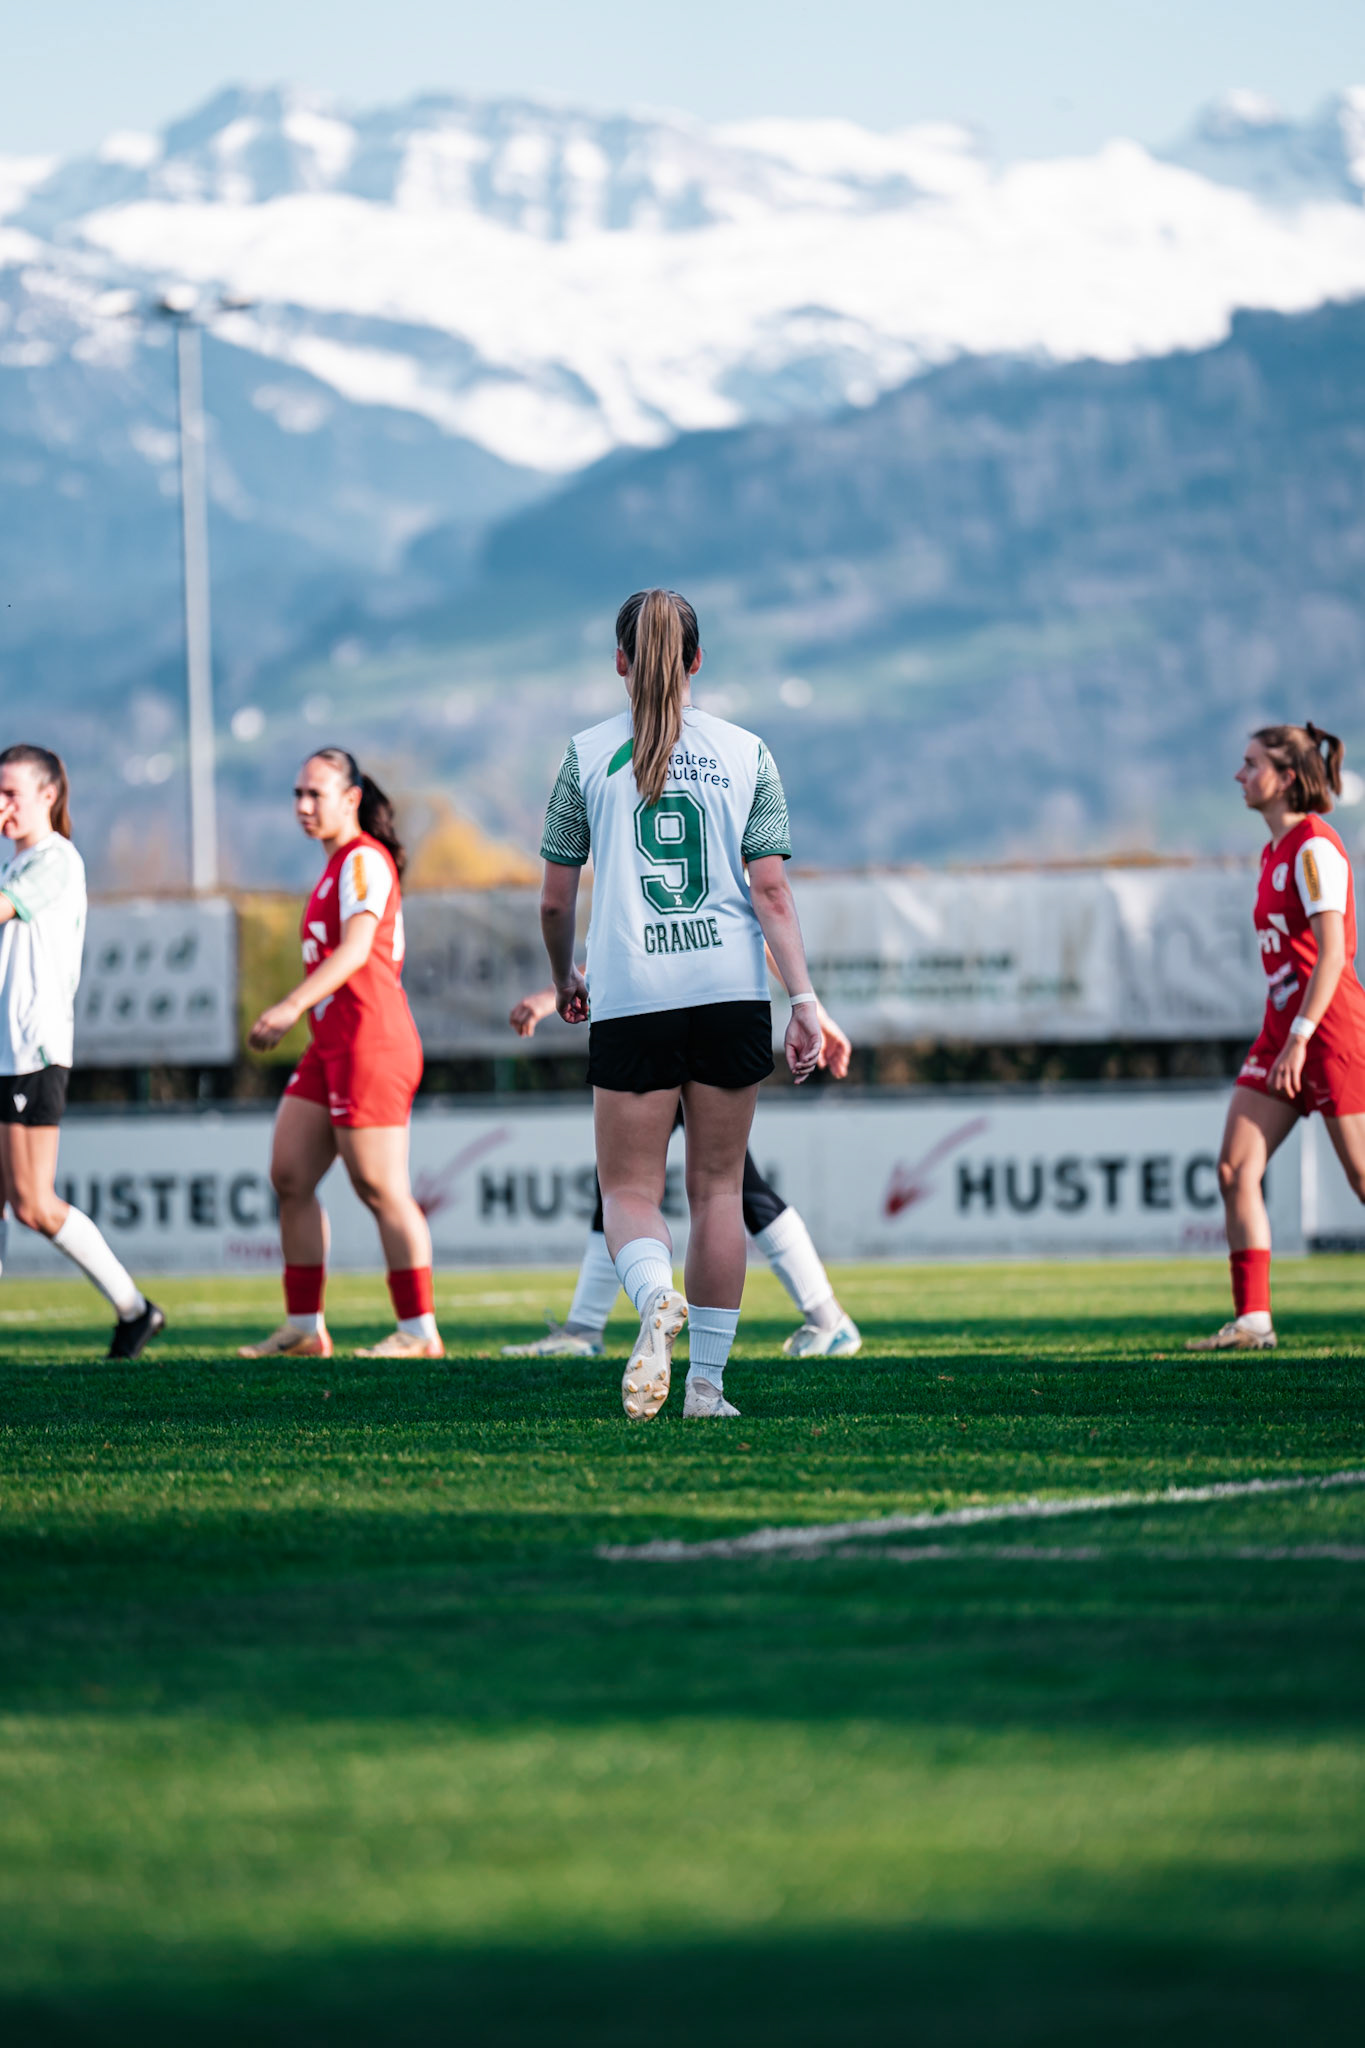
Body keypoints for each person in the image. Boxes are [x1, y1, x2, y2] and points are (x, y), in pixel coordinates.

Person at [538, 586, 823, 1420]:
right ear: (697, 661)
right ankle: (705, 1386)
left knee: (629, 1192)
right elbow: (770, 893)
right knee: (719, 1193)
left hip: (632, 999)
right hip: (730, 997)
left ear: (620, 661)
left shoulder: (585, 755)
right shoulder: (747, 753)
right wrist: (802, 998)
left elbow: (555, 903)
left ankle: (652, 1295)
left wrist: (564, 980)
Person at [501, 971, 861, 1359]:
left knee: (658, 1186)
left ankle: (822, 1320)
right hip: (709, 1020)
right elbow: (763, 917)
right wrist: (808, 1005)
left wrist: (809, 1005)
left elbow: (629, 936)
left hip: (665, 1023)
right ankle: (818, 1323)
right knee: (719, 1185)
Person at [240, 749, 441, 1360]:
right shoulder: (335, 867)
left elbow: (356, 952)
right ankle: (304, 1328)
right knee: (289, 1175)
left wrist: (290, 1005)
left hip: (370, 1041)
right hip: (332, 1046)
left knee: (380, 1187)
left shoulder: (362, 861)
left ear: (351, 799)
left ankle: (420, 1330)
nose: (303, 806)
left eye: (315, 794)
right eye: (297, 794)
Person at [1190, 723, 1365, 1351]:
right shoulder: (1274, 852)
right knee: (1236, 1167)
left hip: (1328, 1027)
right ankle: (1253, 1322)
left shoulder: (1315, 846)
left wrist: (1301, 1036)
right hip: (1285, 1027)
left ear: (1287, 776)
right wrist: (1286, 1035)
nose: (1240, 775)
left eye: (1250, 764)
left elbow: (1335, 952)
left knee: (1364, 1178)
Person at [0, 745, 163, 1356]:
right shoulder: (17, 865)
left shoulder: (56, 860)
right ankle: (135, 1310)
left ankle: (134, 1308)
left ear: (49, 796)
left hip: (31, 1050)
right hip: (5, 1048)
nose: (2, 805)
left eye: (11, 793)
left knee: (34, 1204)